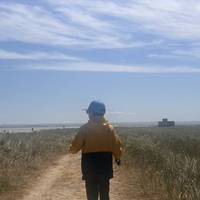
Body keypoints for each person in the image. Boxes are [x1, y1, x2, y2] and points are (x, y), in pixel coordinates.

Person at [69, 101, 123, 200]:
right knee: (105, 193)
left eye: (88, 112)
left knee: (91, 194)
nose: (88, 115)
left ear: (92, 113)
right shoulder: (110, 129)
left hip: (89, 166)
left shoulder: (84, 129)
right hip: (105, 165)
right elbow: (116, 146)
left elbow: (74, 149)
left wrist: (71, 149)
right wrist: (118, 157)